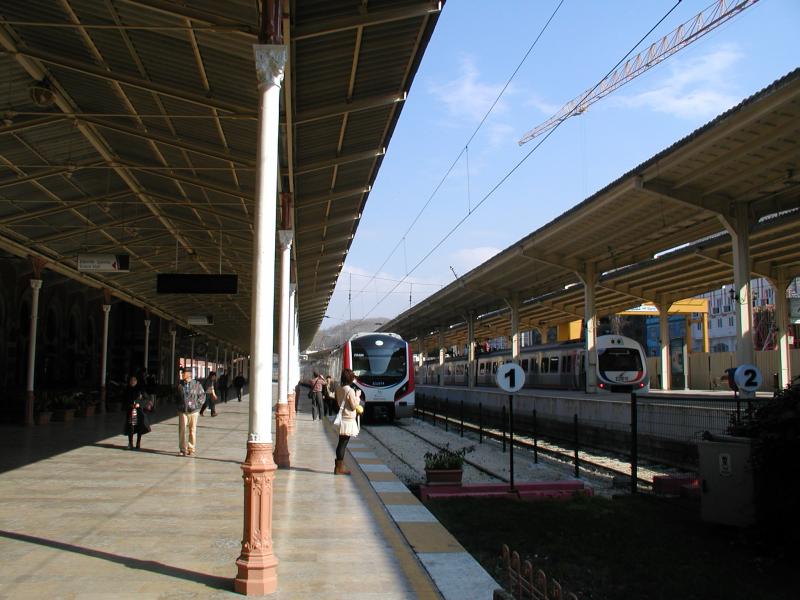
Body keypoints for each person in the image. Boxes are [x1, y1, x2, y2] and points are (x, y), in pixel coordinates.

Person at [334, 368, 362, 475]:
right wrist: (357, 397)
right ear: (350, 378)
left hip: (342, 418)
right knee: (343, 444)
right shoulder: (350, 390)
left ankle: (338, 466)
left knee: (341, 442)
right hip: (348, 420)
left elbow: (338, 403)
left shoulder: (339, 389)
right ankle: (339, 468)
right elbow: (354, 406)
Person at [176, 367, 204, 456]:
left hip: (194, 411)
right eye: (182, 373)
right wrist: (178, 406)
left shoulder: (197, 384)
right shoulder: (180, 385)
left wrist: (197, 405)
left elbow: (202, 396)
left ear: (189, 374)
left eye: (183, 373)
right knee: (182, 430)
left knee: (192, 430)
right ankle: (182, 449)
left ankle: (191, 448)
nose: (182, 374)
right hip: (182, 410)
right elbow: (175, 397)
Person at [124, 375, 150, 450]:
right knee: (131, 427)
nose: (132, 382)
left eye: (134, 380)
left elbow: (146, 399)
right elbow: (124, 400)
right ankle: (130, 443)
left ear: (136, 381)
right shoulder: (127, 389)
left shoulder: (140, 390)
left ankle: (138, 443)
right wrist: (130, 405)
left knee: (139, 427)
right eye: (131, 380)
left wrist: (139, 404)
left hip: (139, 411)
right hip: (131, 410)